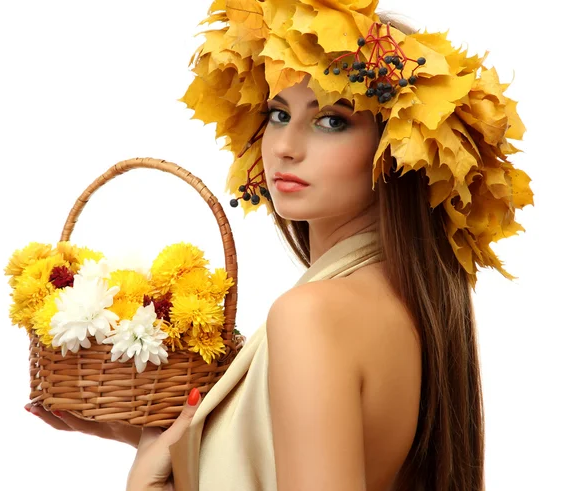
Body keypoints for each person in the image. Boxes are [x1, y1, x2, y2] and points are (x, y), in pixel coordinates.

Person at [28, 1, 533, 490]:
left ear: (396, 153)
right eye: (277, 114)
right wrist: (169, 444)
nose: (286, 146)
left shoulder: (312, 314)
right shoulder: (408, 303)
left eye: (331, 120)